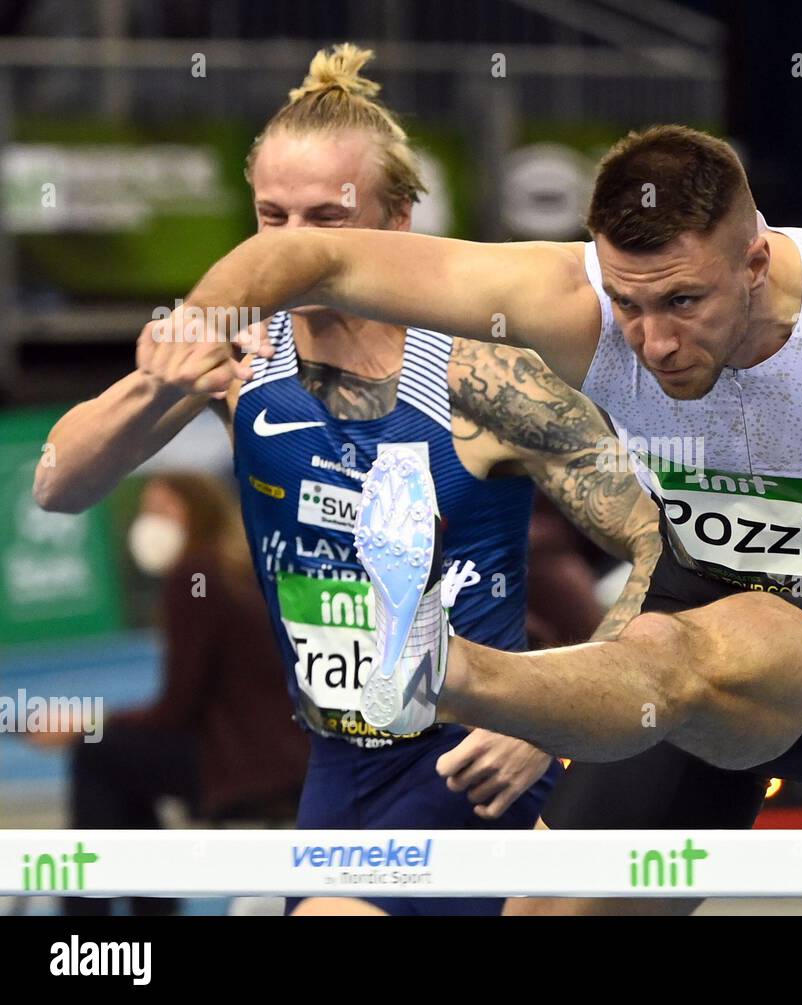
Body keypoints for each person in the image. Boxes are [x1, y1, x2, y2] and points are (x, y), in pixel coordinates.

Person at [136, 121, 802, 915]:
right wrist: (198, 322)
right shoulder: (561, 300)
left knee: (675, 649)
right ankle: (479, 675)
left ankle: (446, 670)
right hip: (692, 605)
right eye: (629, 302)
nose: (654, 343)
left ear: (755, 260)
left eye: (684, 302)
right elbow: (316, 260)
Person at [34, 44, 660, 917]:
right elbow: (56, 484)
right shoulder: (241, 370)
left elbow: (663, 545)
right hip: (343, 783)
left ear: (397, 219)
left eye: (326, 219)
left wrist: (555, 717)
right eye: (270, 218)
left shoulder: (481, 380)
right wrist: (158, 382)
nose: (293, 248)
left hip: (490, 775)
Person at [28, 473, 308, 916]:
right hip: (285, 759)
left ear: (195, 513)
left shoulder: (194, 573)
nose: (148, 522)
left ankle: (88, 912)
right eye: (146, 511)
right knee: (122, 761)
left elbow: (176, 709)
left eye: (162, 511)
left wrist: (84, 726)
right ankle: (147, 904)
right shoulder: (231, 568)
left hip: (249, 768)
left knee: (100, 754)